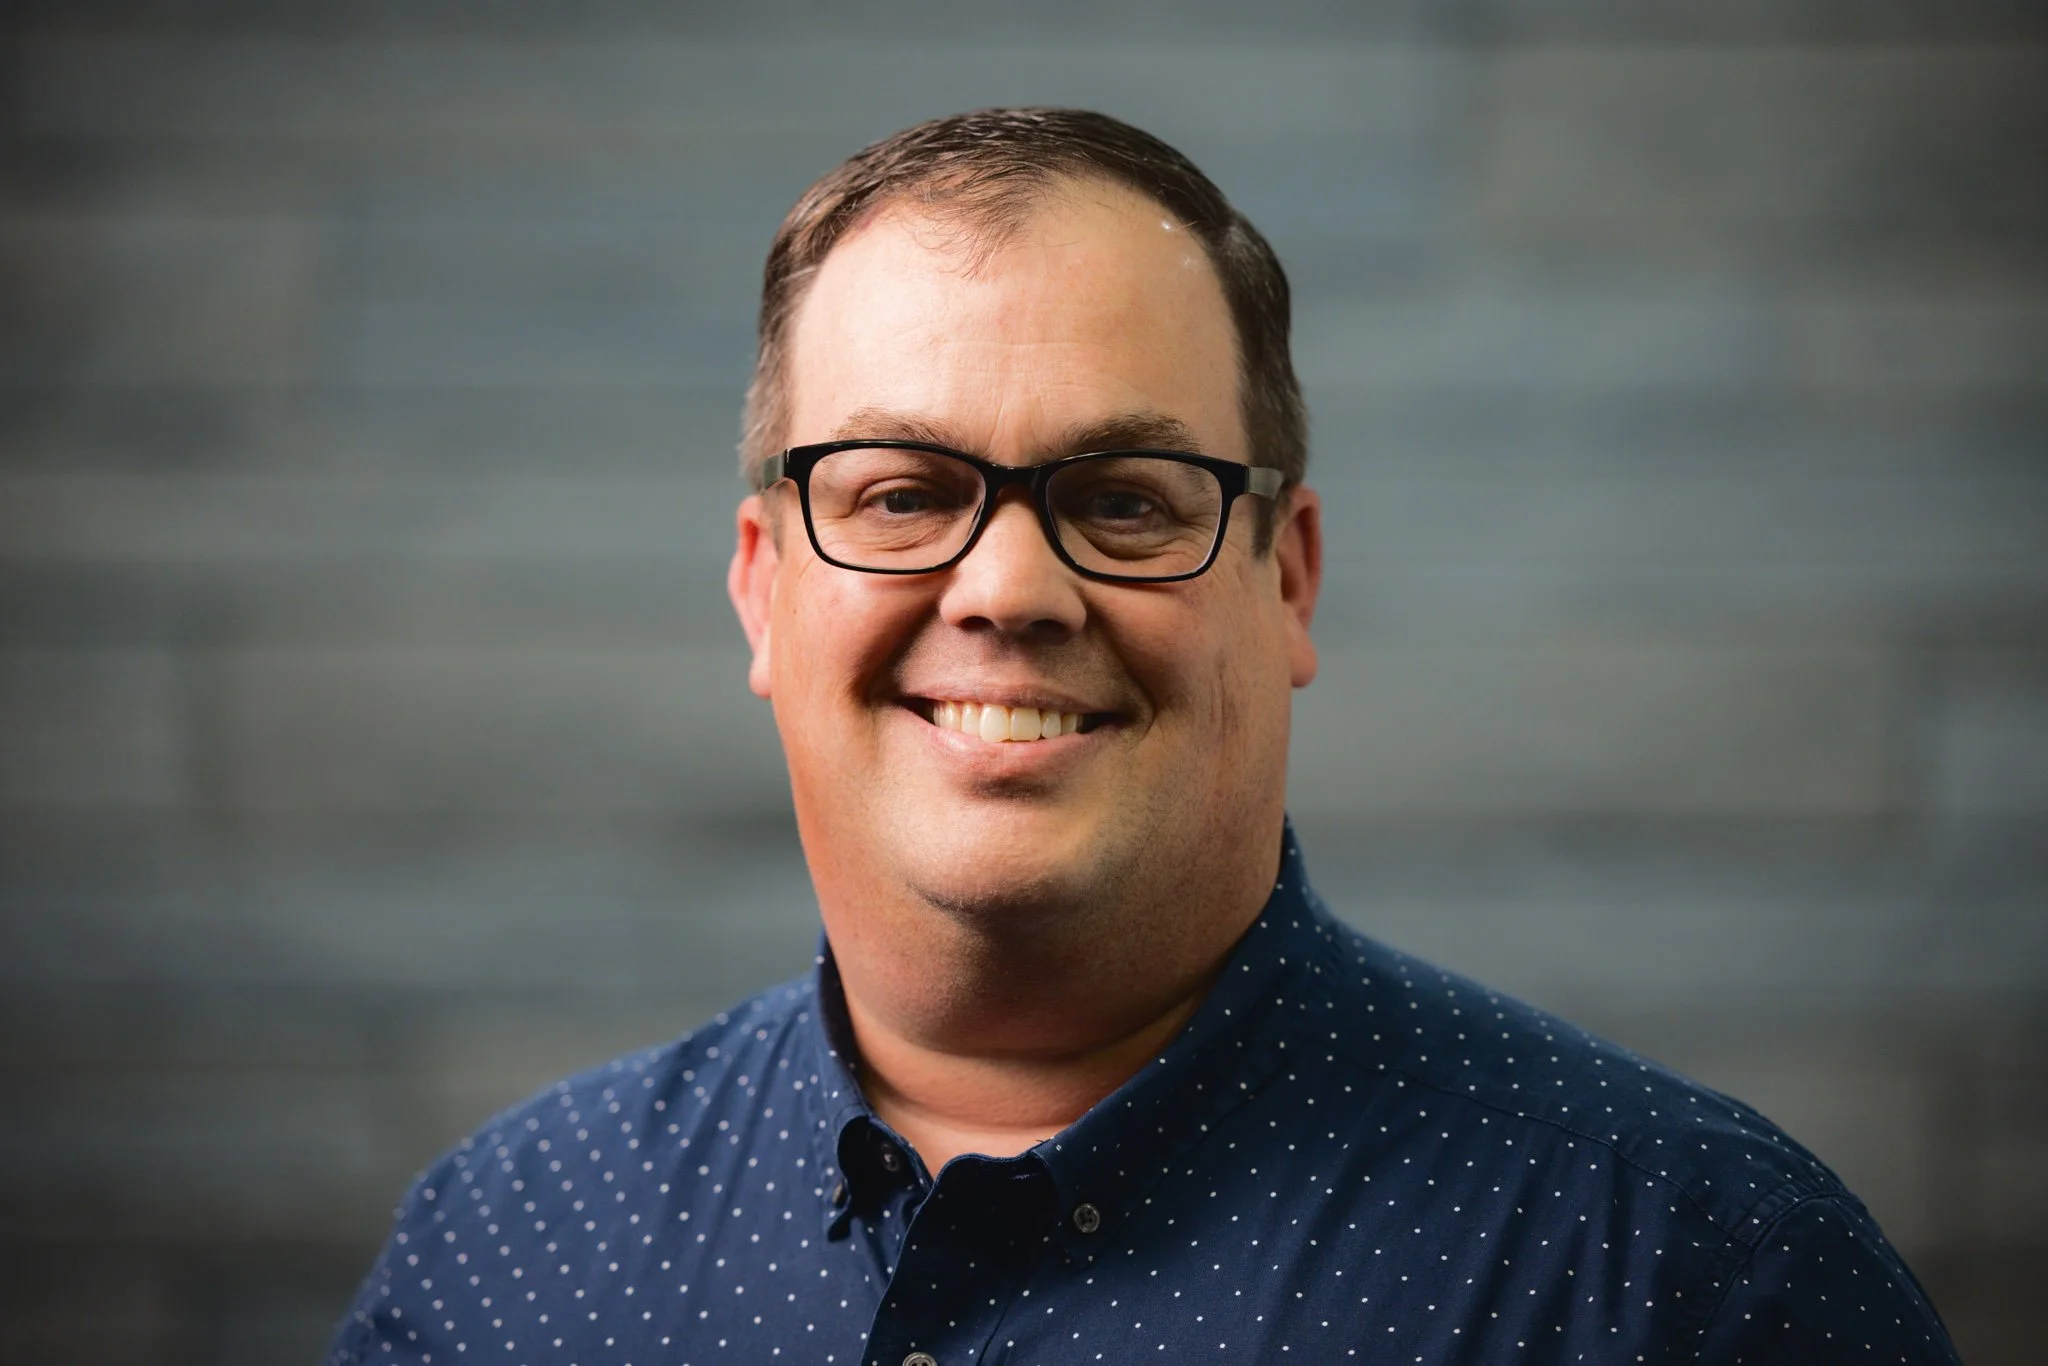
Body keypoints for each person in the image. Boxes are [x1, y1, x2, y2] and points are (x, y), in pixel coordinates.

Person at [327, 108, 1958, 1365]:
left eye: (1124, 500)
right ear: (763, 588)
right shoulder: (500, 1258)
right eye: (899, 494)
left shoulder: (1690, 1276)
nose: (1007, 588)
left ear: (1287, 579)